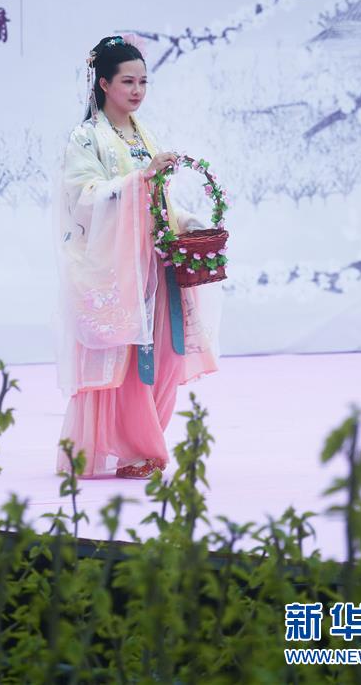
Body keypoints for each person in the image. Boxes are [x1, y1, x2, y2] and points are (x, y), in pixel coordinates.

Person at [53, 35, 219, 479]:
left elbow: (156, 198)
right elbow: (84, 197)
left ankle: (145, 444)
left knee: (165, 354)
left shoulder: (144, 134)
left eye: (143, 81)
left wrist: (184, 221)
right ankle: (140, 450)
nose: (137, 91)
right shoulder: (86, 138)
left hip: (155, 262)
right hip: (118, 268)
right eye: (128, 81)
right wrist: (139, 181)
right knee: (128, 360)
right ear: (103, 83)